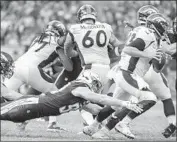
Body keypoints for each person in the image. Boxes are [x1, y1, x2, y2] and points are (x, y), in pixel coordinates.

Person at [84, 13, 169, 139]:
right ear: (155, 25)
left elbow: (155, 68)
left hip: (126, 73)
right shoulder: (148, 34)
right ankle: (122, 123)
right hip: (128, 73)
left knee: (114, 105)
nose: (165, 30)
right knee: (150, 98)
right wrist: (149, 56)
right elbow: (128, 49)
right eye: (163, 26)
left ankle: (94, 127)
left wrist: (159, 60)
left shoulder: (147, 34)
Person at [3, 20, 72, 131]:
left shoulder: (38, 38)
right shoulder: (59, 41)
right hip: (31, 69)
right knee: (55, 95)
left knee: (3, 95)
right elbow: (68, 66)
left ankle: (23, 122)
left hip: (16, 66)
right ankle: (52, 123)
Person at [1, 70, 143, 123]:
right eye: (96, 85)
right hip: (31, 104)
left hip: (31, 107)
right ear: (91, 81)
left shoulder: (81, 96)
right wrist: (124, 103)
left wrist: (118, 115)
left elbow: (97, 110)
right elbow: (101, 99)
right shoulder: (79, 88)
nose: (96, 88)